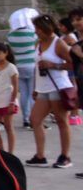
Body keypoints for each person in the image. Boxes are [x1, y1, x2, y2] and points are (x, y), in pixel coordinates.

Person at [26, 14, 74, 168]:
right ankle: (40, 155)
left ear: (48, 27)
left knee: (61, 121)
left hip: (58, 86)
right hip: (42, 87)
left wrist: (53, 65)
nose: (37, 31)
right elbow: (36, 66)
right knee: (35, 119)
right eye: (36, 28)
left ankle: (65, 156)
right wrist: (34, 87)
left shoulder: (58, 43)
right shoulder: (38, 43)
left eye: (39, 28)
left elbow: (73, 63)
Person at [7, 8, 39, 127]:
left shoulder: (10, 35)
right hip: (31, 65)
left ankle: (25, 118)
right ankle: (33, 118)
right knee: (32, 93)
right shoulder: (33, 34)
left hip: (18, 66)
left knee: (23, 94)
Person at [58, 17, 82, 125]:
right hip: (71, 66)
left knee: (72, 90)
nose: (60, 28)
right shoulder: (64, 36)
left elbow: (73, 51)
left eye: (62, 25)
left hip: (71, 66)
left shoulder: (69, 37)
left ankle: (74, 114)